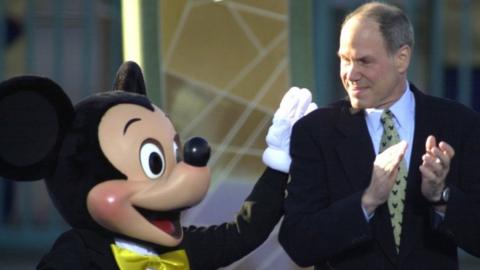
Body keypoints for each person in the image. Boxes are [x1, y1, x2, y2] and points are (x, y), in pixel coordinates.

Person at [279, 2, 480, 270]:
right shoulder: (316, 131)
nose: (350, 74)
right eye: (344, 59)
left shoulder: (457, 123)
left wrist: (441, 197)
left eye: (364, 61)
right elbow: (298, 243)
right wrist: (368, 201)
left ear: (402, 58)